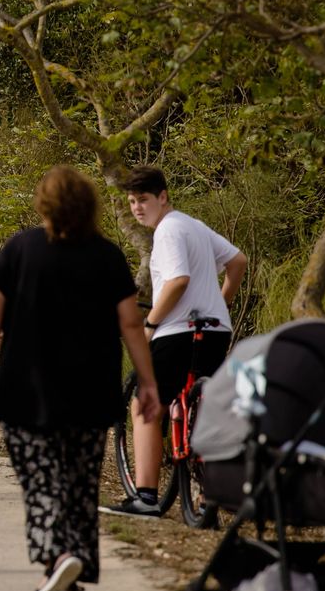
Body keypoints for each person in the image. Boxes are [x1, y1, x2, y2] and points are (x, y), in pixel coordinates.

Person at [0, 165, 160, 591]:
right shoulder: (107, 255)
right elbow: (132, 325)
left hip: (25, 388)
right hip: (90, 389)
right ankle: (74, 561)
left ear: (44, 203)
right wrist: (147, 381)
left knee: (40, 478)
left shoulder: (21, 248)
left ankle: (56, 558)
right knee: (79, 480)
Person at [103, 165, 246, 518]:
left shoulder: (167, 231)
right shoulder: (193, 225)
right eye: (133, 201)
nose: (138, 208)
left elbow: (177, 280)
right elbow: (238, 261)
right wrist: (220, 304)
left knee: (144, 407)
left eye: (144, 200)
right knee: (200, 407)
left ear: (163, 197)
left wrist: (150, 323)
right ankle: (205, 494)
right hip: (215, 330)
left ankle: (147, 496)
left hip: (178, 330)